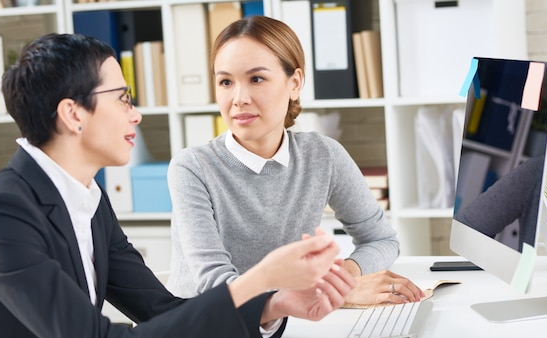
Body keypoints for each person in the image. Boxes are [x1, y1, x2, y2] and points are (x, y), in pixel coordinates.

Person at [0, 33, 357, 338]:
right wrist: (258, 279)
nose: (136, 114)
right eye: (122, 99)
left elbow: (160, 311)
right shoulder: (0, 217)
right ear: (73, 114)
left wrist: (275, 303)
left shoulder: (87, 197)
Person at [167, 16, 424, 306]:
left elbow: (381, 240)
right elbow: (217, 287)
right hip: (206, 329)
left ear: (295, 83)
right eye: (225, 82)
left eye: (256, 79)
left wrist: (344, 279)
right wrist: (332, 292)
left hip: (286, 320)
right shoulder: (192, 168)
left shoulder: (323, 155)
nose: (239, 98)